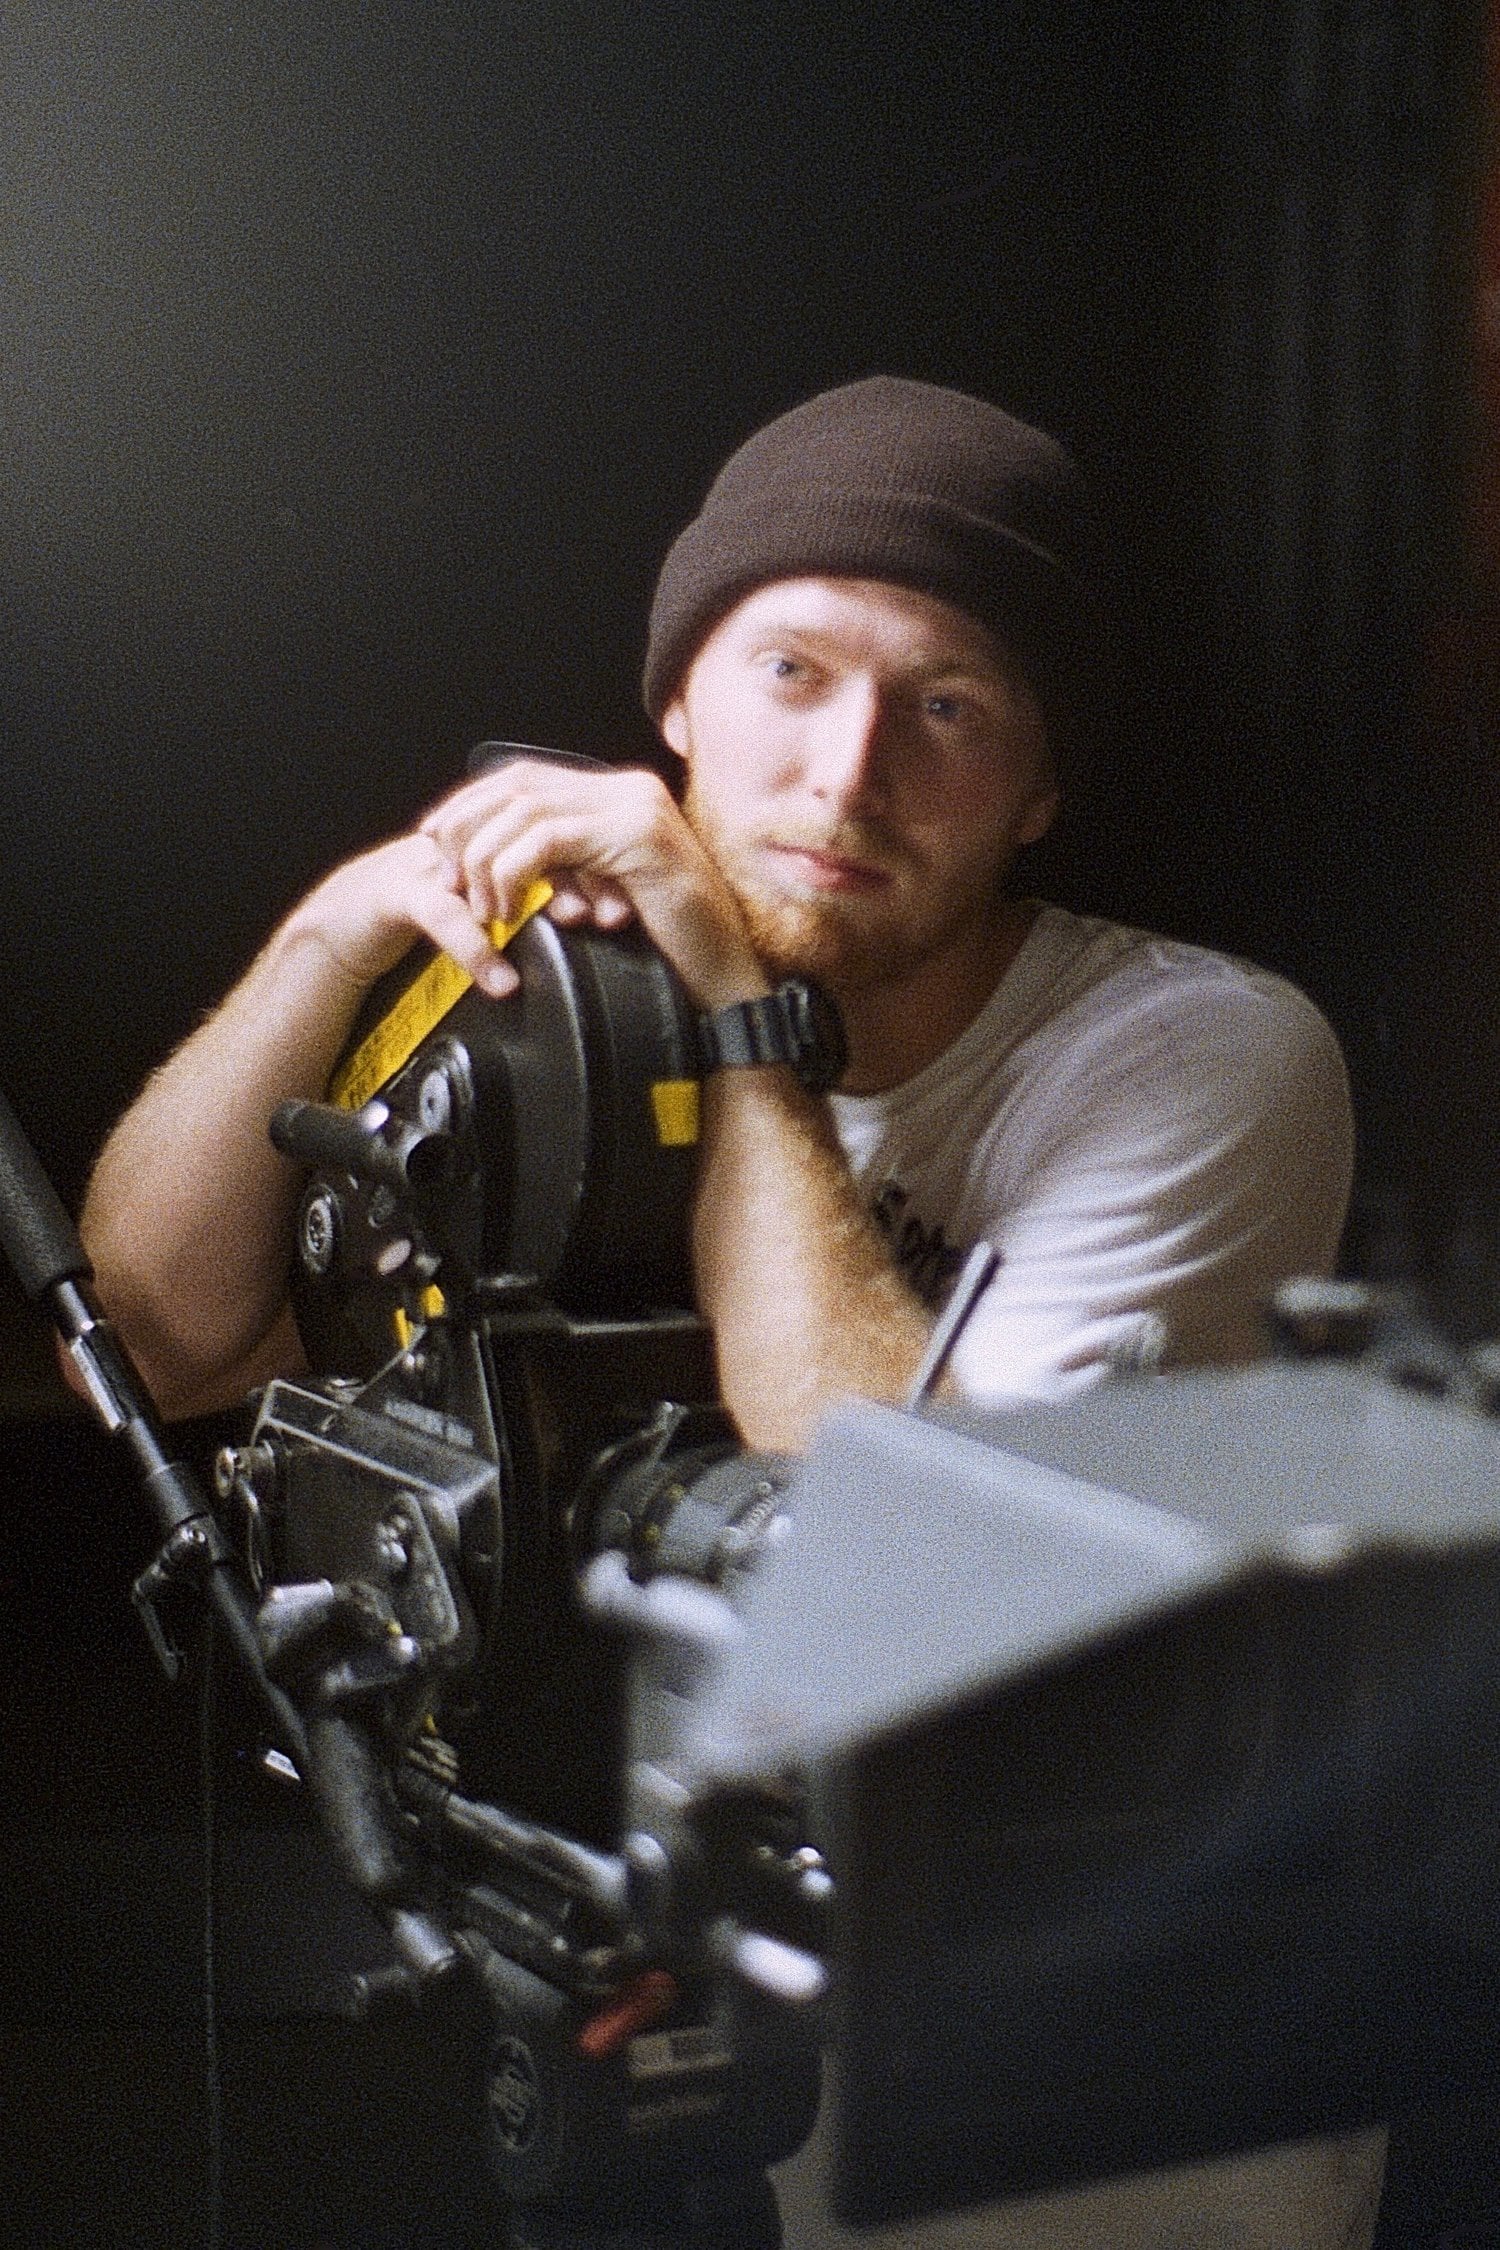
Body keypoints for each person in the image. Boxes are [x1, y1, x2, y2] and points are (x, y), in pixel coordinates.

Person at [78, 375, 1382, 2246]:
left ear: (1042, 789)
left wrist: (731, 1012)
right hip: (706, 2097)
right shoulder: (578, 1029)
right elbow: (163, 1333)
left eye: (947, 707)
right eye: (791, 672)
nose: (848, 774)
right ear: (676, 704)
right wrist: (342, 930)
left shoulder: (1201, 1059)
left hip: (1096, 2156)